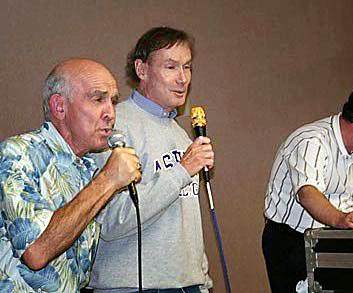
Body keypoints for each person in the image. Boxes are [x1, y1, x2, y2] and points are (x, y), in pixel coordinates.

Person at [89, 27, 214, 293]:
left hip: (189, 286)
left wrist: (202, 278)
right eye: (171, 67)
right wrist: (180, 171)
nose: (183, 79)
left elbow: (184, 219)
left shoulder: (180, 134)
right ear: (142, 70)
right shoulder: (114, 127)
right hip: (135, 287)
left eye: (187, 67)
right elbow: (110, 221)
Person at [0, 58, 141, 292]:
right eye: (98, 99)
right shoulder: (17, 153)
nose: (110, 113)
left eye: (113, 101)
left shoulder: (87, 169)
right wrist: (107, 181)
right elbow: (35, 252)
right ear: (60, 107)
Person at [262, 83, 353, 292]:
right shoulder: (312, 141)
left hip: (334, 239)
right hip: (293, 242)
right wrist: (341, 219)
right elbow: (307, 193)